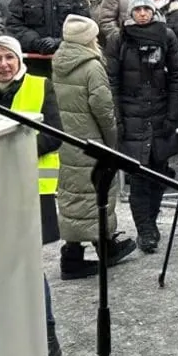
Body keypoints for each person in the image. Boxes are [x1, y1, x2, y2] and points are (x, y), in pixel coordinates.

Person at [0, 36, 64, 356]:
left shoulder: (40, 86)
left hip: (31, 189)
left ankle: (47, 335)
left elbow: (54, 135)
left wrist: (13, 152)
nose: (3, 65)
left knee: (29, 266)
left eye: (9, 58)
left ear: (19, 60)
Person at [49, 14, 134, 279]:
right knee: (98, 193)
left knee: (75, 195)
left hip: (68, 138)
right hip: (92, 140)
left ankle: (78, 252)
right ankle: (96, 251)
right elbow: (103, 109)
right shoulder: (92, 66)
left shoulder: (59, 60)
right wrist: (112, 140)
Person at [107, 0, 178, 253]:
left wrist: (173, 114)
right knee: (138, 177)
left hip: (161, 112)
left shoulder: (167, 35)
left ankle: (151, 221)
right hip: (132, 114)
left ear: (154, 11)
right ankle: (146, 230)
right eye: (137, 9)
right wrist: (118, 117)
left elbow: (177, 76)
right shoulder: (119, 39)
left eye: (146, 9)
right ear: (131, 12)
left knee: (159, 173)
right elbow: (112, 81)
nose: (142, 14)